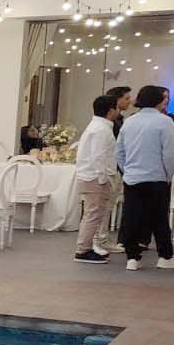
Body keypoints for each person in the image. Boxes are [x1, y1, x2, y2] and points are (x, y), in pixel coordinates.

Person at [115, 84, 174, 270]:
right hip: (157, 178)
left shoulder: (130, 121)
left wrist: (127, 170)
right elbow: (169, 154)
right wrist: (168, 175)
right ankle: (165, 257)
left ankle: (132, 258)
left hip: (132, 178)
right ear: (158, 100)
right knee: (159, 219)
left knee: (132, 217)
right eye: (164, 98)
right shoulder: (165, 121)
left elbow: (119, 151)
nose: (166, 101)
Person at [73, 94, 120, 264]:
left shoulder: (97, 126)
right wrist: (103, 178)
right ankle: (83, 250)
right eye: (116, 108)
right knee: (93, 214)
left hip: (91, 176)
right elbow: (98, 156)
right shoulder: (101, 129)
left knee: (92, 214)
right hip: (95, 177)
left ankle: (86, 247)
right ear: (110, 110)